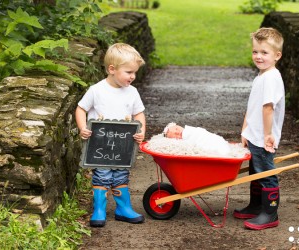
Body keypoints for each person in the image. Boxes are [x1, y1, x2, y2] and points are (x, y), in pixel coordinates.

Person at [75, 43, 146, 227]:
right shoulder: (96, 90)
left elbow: (139, 114)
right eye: (129, 72)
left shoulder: (132, 92)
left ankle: (123, 208)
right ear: (112, 69)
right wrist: (83, 128)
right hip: (100, 146)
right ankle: (99, 209)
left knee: (121, 175)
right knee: (102, 176)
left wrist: (142, 131)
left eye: (135, 73)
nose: (133, 76)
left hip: (123, 147)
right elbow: (81, 108)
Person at [233, 27, 285, 231]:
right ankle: (256, 206)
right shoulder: (261, 76)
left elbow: (268, 108)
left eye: (265, 52)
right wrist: (245, 131)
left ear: (277, 55)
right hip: (254, 135)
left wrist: (267, 136)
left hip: (264, 137)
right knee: (256, 171)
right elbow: (252, 107)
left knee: (266, 173)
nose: (258, 56)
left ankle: (270, 213)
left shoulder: (272, 78)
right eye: (256, 51)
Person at [163, 122, 231, 156]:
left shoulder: (193, 131)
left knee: (217, 145)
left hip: (219, 146)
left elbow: (202, 135)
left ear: (179, 126)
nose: (178, 132)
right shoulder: (182, 144)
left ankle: (223, 152)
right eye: (175, 135)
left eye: (176, 129)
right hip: (217, 153)